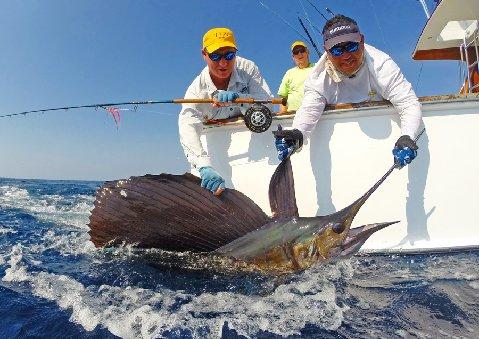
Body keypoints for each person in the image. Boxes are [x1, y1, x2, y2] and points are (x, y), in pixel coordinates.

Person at [274, 15, 422, 168]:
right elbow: (309, 110)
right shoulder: (318, 78)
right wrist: (297, 134)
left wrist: (408, 136)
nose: (346, 56)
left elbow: (408, 102)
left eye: (351, 46)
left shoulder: (381, 65)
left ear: (362, 41)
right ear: (327, 51)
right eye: (337, 50)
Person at [179, 27, 273, 194]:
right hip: (214, 142)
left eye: (229, 55)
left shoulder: (248, 69)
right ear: (204, 55)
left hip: (252, 141)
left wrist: (240, 99)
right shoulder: (196, 90)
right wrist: (204, 166)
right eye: (215, 56)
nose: (223, 63)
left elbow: (268, 107)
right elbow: (187, 125)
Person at [277, 41, 315, 115]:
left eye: (302, 50)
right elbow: (283, 97)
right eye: (296, 52)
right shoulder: (289, 73)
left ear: (307, 52)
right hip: (293, 114)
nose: (299, 54)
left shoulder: (318, 67)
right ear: (293, 57)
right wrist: (283, 114)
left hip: (315, 112)